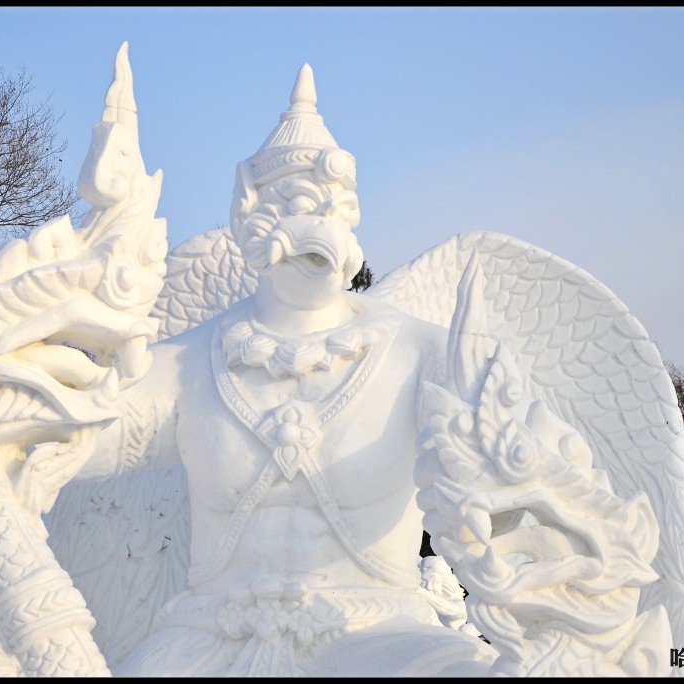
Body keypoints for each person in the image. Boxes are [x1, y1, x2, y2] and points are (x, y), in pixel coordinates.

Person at [75, 64, 496, 677]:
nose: (319, 225)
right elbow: (71, 441)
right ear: (248, 215)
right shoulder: (189, 364)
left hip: (379, 633)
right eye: (298, 204)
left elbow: (513, 485)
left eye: (334, 209)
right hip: (207, 637)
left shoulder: (423, 355)